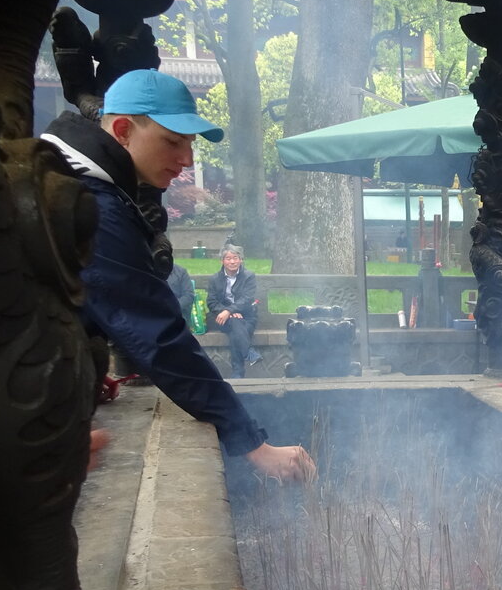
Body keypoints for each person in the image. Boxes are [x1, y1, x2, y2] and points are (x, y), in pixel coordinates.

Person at [41, 69, 314, 482]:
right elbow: (161, 337)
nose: (186, 159)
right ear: (122, 130)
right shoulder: (90, 203)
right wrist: (252, 444)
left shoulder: (78, 182)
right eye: (173, 141)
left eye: (190, 143)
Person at [207, 244, 261, 377]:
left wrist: (229, 311)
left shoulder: (249, 276)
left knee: (235, 331)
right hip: (223, 318)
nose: (232, 262)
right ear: (222, 261)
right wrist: (227, 312)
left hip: (247, 316)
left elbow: (247, 299)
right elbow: (211, 302)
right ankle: (248, 352)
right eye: (228, 258)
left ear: (241, 260)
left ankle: (238, 371)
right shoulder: (215, 279)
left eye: (235, 258)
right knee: (235, 323)